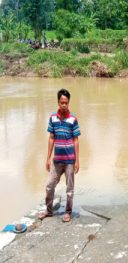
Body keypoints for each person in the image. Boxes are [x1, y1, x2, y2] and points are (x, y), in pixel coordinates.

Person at [38, 89, 81, 222]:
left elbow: (76, 140)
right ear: (58, 102)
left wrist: (77, 161)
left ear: (69, 103)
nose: (64, 105)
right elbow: (51, 137)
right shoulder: (52, 118)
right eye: (62, 102)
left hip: (69, 160)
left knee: (69, 189)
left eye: (66, 103)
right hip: (57, 160)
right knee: (49, 185)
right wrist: (47, 158)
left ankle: (68, 212)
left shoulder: (73, 119)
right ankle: (49, 211)